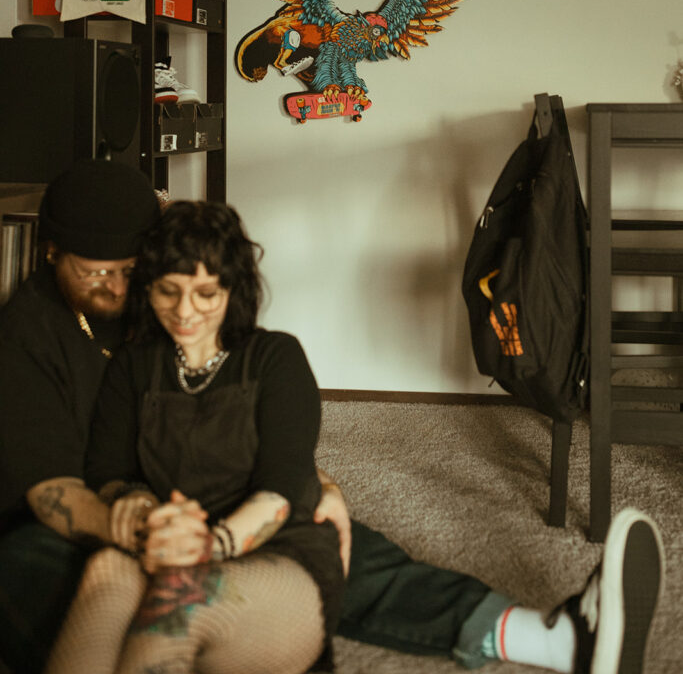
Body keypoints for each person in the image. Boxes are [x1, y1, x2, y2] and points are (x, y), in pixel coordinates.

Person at [0, 160, 664, 674]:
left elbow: (243, 405)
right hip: (91, 512)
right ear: (51, 252)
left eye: (130, 270)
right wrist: (136, 526)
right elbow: (48, 487)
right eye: (95, 274)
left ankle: (552, 640)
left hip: (200, 490)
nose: (116, 289)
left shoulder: (168, 301)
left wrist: (306, 481)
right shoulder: (27, 334)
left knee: (324, 536)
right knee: (39, 570)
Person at [45, 199, 345, 673]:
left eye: (206, 293)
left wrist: (207, 546)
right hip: (162, 540)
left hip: (273, 551)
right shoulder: (133, 363)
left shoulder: (276, 357)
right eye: (168, 291)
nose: (185, 311)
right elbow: (108, 470)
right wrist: (139, 511)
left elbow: (283, 487)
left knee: (178, 595)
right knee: (103, 570)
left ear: (232, 290)